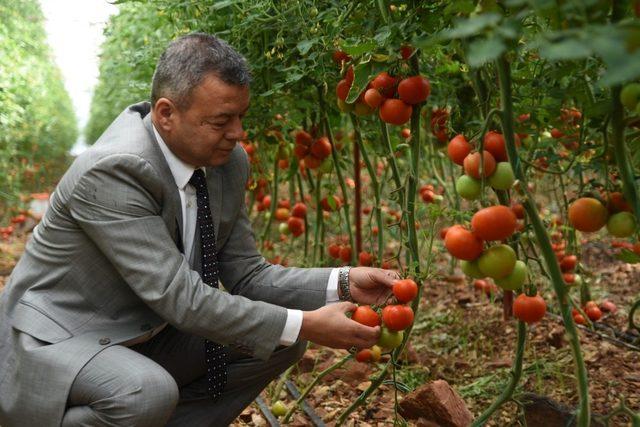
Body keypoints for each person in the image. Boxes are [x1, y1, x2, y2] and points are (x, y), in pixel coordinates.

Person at [0, 33, 399, 427]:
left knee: (281, 340)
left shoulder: (227, 162)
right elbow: (179, 297)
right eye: (221, 121)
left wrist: (344, 283)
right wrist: (304, 321)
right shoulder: (115, 171)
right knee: (145, 392)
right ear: (166, 113)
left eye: (241, 116)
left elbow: (248, 273)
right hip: (62, 338)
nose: (237, 133)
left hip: (145, 328)